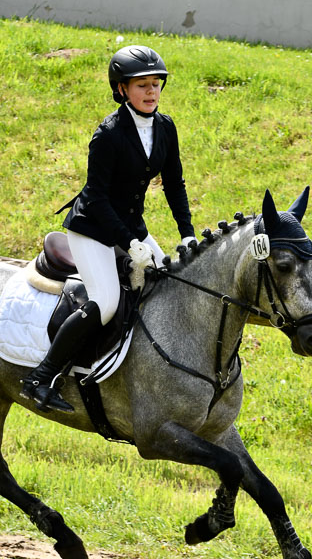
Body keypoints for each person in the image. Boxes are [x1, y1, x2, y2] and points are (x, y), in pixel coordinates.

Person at [20, 45, 196, 414]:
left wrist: (187, 234)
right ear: (121, 90)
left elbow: (175, 183)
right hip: (92, 230)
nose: (151, 92)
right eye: (142, 86)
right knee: (106, 303)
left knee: (168, 284)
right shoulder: (108, 134)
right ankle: (41, 377)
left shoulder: (165, 128)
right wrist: (129, 243)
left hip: (131, 226)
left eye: (156, 85)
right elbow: (97, 199)